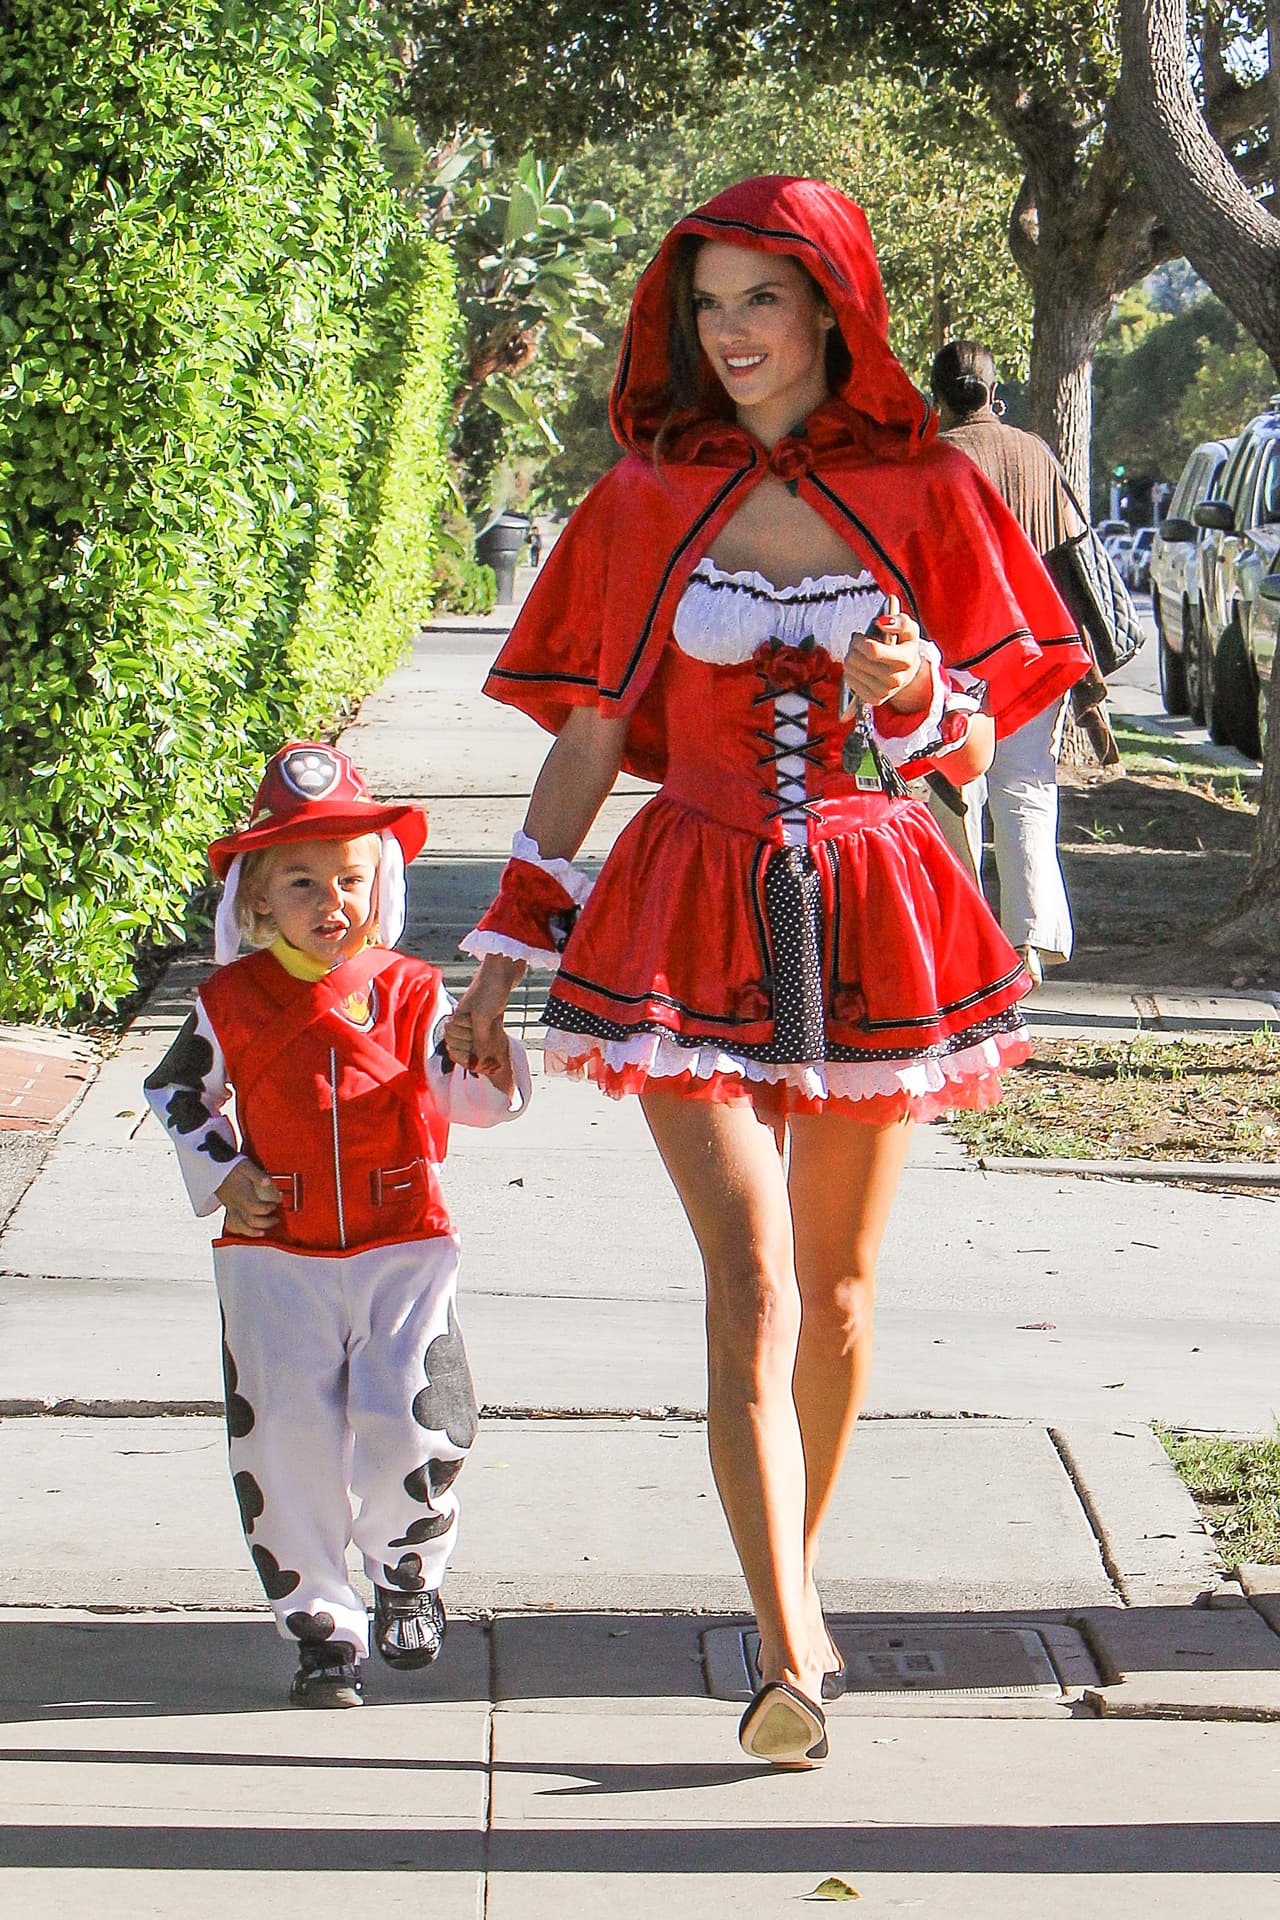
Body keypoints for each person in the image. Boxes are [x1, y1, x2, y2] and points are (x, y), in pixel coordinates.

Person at [449, 178, 1091, 1768]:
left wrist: (913, 688)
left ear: (830, 312)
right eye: (710, 302)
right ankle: (790, 1635)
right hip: (689, 901)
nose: (732, 333)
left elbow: (959, 749)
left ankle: (793, 1581)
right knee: (749, 1284)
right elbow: (595, 732)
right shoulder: (644, 500)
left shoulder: (933, 492)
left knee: (846, 1296)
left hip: (876, 899)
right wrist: (500, 956)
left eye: (763, 299)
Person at [145, 743, 530, 1707]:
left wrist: (478, 1054)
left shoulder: (409, 990)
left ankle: (408, 1580)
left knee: (415, 1413)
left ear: (379, 886)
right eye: (303, 881)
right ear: (256, 900)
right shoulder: (226, 1001)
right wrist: (228, 1176)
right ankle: (320, 1624)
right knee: (282, 1436)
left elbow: (469, 1101)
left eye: (350, 880)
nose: (332, 902)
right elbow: (178, 1092)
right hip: (275, 1262)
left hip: (405, 1245)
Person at [929, 339, 1115, 982]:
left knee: (954, 787)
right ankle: (1028, 942)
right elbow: (1073, 552)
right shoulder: (1036, 452)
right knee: (1028, 785)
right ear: (992, 391)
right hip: (1039, 651)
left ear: (938, 398)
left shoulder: (932, 460)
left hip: (956, 652)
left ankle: (967, 940)